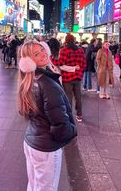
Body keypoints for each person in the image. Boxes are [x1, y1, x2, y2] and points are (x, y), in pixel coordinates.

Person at [18, 40, 77, 190]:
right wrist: (71, 131)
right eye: (36, 54)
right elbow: (59, 122)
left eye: (42, 50)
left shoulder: (30, 80)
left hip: (32, 141)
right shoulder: (48, 84)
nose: (43, 54)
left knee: (33, 185)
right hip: (46, 147)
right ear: (28, 62)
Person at [58, 33, 86, 122]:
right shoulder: (80, 50)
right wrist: (77, 70)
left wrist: (71, 69)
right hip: (77, 77)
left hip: (67, 78)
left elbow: (60, 64)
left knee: (68, 97)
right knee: (78, 96)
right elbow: (83, 64)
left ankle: (69, 116)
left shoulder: (64, 50)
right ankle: (79, 115)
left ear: (66, 41)